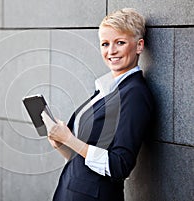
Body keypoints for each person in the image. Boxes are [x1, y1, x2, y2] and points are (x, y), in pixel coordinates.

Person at [41, 8, 154, 201]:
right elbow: (81, 158)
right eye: (105, 44)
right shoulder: (105, 88)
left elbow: (119, 166)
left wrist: (70, 139)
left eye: (120, 42)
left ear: (139, 46)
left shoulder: (134, 94)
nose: (111, 51)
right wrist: (60, 143)